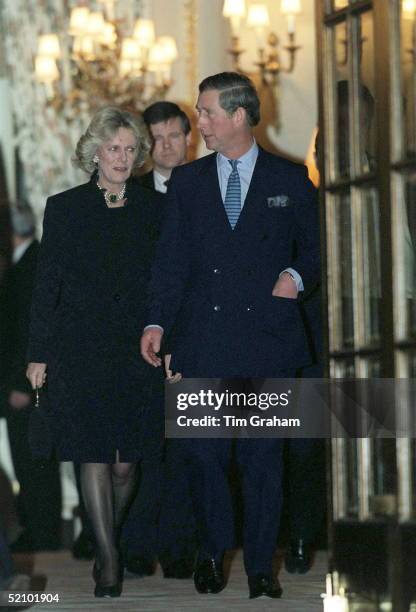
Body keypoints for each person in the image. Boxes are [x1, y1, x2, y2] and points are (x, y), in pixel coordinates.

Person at [141, 72, 320, 599]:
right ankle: (211, 553)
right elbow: (169, 264)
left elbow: (316, 250)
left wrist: (296, 277)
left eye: (208, 113)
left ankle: (262, 565)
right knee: (203, 455)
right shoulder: (188, 182)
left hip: (269, 339)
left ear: (239, 115)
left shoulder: (290, 180)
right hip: (203, 340)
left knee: (264, 458)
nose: (201, 124)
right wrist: (155, 322)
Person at [26, 107, 164, 598]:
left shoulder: (153, 209)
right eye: (113, 149)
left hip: (135, 349)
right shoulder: (64, 207)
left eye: (130, 149)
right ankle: (108, 558)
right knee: (93, 453)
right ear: (94, 152)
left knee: (126, 463)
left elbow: (164, 283)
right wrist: (38, 352)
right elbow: (48, 285)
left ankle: (110, 534)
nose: (122, 158)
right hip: (79, 347)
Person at [123, 101, 196, 580]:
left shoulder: (211, 185)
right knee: (141, 445)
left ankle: (179, 548)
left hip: (196, 334)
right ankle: (135, 544)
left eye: (173, 136)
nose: (166, 146)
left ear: (189, 136)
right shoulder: (129, 195)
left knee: (188, 447)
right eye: (157, 139)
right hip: (141, 337)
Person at [1, 203, 62, 552]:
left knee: (36, 464)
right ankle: (38, 533)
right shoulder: (22, 263)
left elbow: (31, 331)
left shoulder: (31, 264)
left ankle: (44, 536)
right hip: (18, 383)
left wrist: (23, 385)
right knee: (29, 463)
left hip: (26, 386)